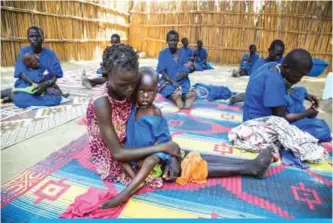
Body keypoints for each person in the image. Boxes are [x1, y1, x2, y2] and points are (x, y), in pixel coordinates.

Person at [101, 66, 275, 209]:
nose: (145, 96)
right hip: (147, 159)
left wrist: (172, 158)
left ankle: (249, 165)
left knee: (192, 156)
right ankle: (250, 168)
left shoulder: (155, 111)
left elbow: (164, 138)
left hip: (158, 155)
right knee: (193, 165)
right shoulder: (130, 108)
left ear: (157, 91)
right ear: (134, 91)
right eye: (141, 91)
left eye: (150, 91)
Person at [86, 44, 182, 207]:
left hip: (132, 140)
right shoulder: (101, 102)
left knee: (176, 157)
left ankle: (240, 167)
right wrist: (163, 148)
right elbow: (118, 153)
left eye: (133, 82)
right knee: (167, 163)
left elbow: (157, 122)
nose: (130, 89)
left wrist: (171, 154)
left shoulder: (127, 85)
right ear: (108, 76)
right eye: (124, 85)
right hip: (114, 153)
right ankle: (128, 190)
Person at [243, 48, 330, 141]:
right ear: (285, 67)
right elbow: (282, 118)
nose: (299, 80)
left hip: (250, 113)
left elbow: (285, 89)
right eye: (297, 76)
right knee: (322, 130)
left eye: (302, 76)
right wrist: (307, 113)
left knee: (299, 92)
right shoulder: (276, 81)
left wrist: (305, 95)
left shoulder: (273, 66)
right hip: (257, 124)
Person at [10, 26, 64, 108]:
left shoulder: (50, 54)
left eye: (38, 36)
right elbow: (21, 73)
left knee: (55, 98)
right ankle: (10, 94)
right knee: (21, 100)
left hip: (46, 83)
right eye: (31, 36)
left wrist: (45, 85)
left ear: (42, 37)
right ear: (28, 38)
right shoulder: (24, 52)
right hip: (27, 83)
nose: (35, 39)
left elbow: (55, 74)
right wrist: (35, 85)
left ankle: (16, 95)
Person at [229, 39, 285, 104]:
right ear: (269, 50)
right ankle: (241, 97)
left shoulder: (282, 62)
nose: (278, 57)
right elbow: (254, 84)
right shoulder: (260, 64)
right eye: (276, 54)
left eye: (280, 55)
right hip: (261, 92)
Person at [2, 53, 68, 104]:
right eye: (36, 62)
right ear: (30, 66)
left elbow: (53, 75)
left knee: (52, 85)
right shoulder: (30, 73)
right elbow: (36, 83)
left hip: (39, 86)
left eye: (37, 59)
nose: (38, 62)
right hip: (32, 89)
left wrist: (48, 80)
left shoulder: (39, 62)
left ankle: (61, 94)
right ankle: (11, 97)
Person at [156, 30, 197, 109]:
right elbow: (162, 71)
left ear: (178, 41)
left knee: (185, 88)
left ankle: (187, 97)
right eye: (171, 40)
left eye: (175, 40)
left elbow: (187, 66)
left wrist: (187, 73)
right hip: (168, 80)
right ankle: (175, 97)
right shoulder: (163, 53)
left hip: (182, 80)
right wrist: (172, 81)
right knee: (167, 89)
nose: (173, 42)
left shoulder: (183, 52)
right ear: (167, 41)